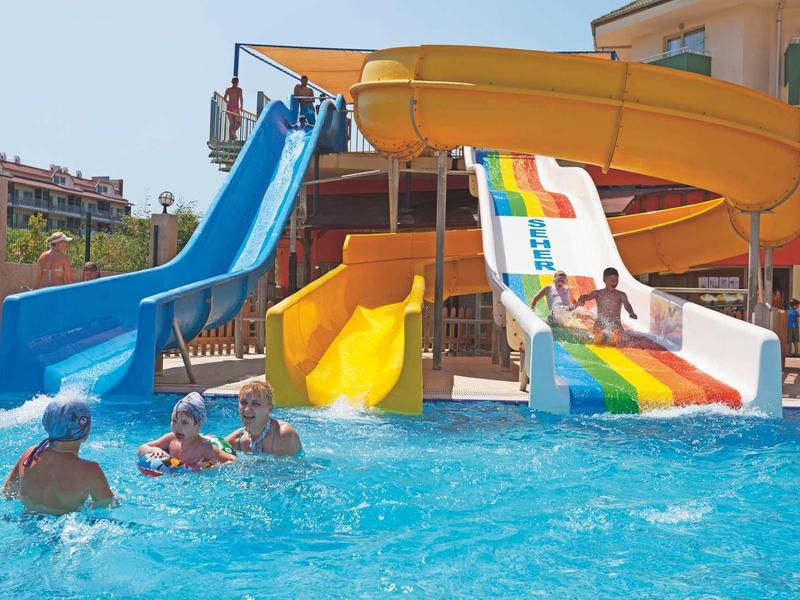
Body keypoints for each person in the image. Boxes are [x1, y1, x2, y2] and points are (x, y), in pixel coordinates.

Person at [3, 397, 114, 515]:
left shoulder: (30, 454)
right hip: (65, 529)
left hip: (26, 522)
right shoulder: (91, 470)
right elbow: (105, 506)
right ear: (85, 428)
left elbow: (8, 491)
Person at [138, 392, 236, 468]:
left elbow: (232, 460)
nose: (178, 427)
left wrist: (208, 467)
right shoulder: (171, 439)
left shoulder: (204, 448)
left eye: (184, 423)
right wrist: (155, 449)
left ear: (197, 425)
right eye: (174, 421)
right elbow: (142, 448)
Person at [225, 381, 301, 456]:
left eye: (255, 404)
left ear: (269, 408)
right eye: (244, 402)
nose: (247, 409)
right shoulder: (237, 440)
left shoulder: (283, 435)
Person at [577, 267, 638, 346]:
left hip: (615, 324)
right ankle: (600, 336)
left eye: (616, 280)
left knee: (616, 338)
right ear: (604, 280)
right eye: (612, 280)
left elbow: (627, 304)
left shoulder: (621, 295)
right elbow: (585, 297)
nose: (614, 282)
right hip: (600, 323)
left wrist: (631, 312)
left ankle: (613, 337)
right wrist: (581, 299)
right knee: (598, 338)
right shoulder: (598, 293)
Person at [223, 76, 244, 141]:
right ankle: (234, 131)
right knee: (239, 123)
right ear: (237, 82)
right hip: (235, 107)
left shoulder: (228, 89)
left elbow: (224, 98)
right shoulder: (239, 90)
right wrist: (241, 107)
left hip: (229, 107)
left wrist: (229, 103)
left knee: (231, 124)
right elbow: (241, 99)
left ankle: (230, 139)